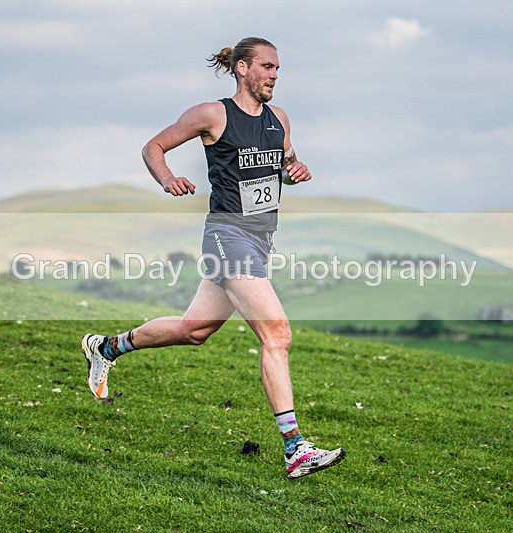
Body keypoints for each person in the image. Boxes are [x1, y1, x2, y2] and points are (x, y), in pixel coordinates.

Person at [81, 37, 345, 479]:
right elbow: (153, 147)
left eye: (278, 68)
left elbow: (284, 164)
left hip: (260, 240)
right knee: (277, 335)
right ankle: (295, 448)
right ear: (242, 68)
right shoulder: (213, 114)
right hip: (227, 236)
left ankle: (106, 346)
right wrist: (166, 179)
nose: (275, 75)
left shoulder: (279, 119)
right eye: (267, 66)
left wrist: (294, 172)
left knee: (194, 330)